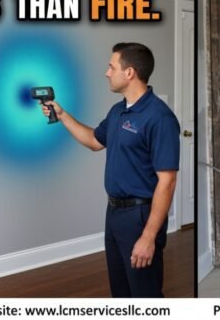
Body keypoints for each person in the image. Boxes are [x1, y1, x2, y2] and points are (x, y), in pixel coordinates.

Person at [41, 42, 180, 297]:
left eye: (111, 66)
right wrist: (61, 114)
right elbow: (95, 140)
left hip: (140, 215)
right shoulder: (118, 112)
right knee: (121, 291)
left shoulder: (159, 117)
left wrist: (148, 237)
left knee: (144, 293)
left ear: (129, 73)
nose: (107, 72)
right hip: (114, 212)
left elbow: (167, 181)